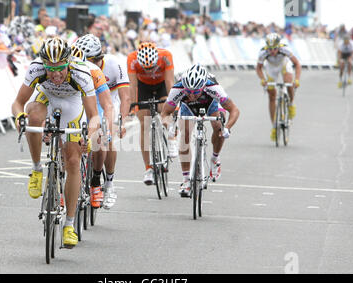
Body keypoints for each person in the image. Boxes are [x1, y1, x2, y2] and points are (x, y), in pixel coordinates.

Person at [11, 37, 99, 248]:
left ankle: (69, 225)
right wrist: (18, 117)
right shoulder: (36, 68)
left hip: (72, 104)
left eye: (60, 68)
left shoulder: (82, 74)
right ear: (44, 65)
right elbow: (18, 103)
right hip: (47, 98)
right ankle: (36, 169)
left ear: (68, 62)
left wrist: (89, 135)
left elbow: (93, 115)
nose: (56, 74)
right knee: (33, 118)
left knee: (72, 161)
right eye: (50, 69)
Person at [161, 64, 240, 196]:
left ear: (203, 86)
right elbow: (165, 113)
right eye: (188, 92)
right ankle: (186, 180)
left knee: (218, 126)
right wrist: (170, 127)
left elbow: (234, 110)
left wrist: (227, 128)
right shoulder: (178, 88)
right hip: (187, 107)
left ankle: (215, 158)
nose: (191, 95)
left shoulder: (213, 86)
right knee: (184, 136)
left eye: (195, 92)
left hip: (211, 104)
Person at [72, 33, 131, 209]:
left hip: (108, 101)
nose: (84, 64)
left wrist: (121, 121)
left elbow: (125, 97)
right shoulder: (77, 66)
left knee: (106, 138)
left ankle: (107, 183)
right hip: (85, 99)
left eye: (89, 61)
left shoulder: (114, 64)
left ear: (99, 59)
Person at [70, 38, 115, 209]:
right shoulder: (64, 72)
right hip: (74, 109)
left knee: (100, 138)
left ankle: (96, 180)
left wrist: (108, 128)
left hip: (93, 107)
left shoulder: (95, 71)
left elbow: (108, 105)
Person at [127, 42, 175, 185]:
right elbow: (133, 85)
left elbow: (170, 82)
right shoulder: (132, 59)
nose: (149, 71)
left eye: (152, 67)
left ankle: (172, 137)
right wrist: (133, 106)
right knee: (144, 124)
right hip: (143, 87)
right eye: (145, 68)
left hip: (161, 86)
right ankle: (148, 168)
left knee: (165, 111)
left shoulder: (166, 56)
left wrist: (173, 105)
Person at [256, 33, 301, 142]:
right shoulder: (263, 52)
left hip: (284, 65)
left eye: (275, 48)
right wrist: (263, 79)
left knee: (288, 82)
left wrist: (297, 80)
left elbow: (297, 64)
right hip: (271, 68)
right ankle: (274, 126)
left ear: (279, 46)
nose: (272, 51)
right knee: (272, 96)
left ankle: (291, 104)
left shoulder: (285, 50)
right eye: (270, 49)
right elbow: (259, 68)